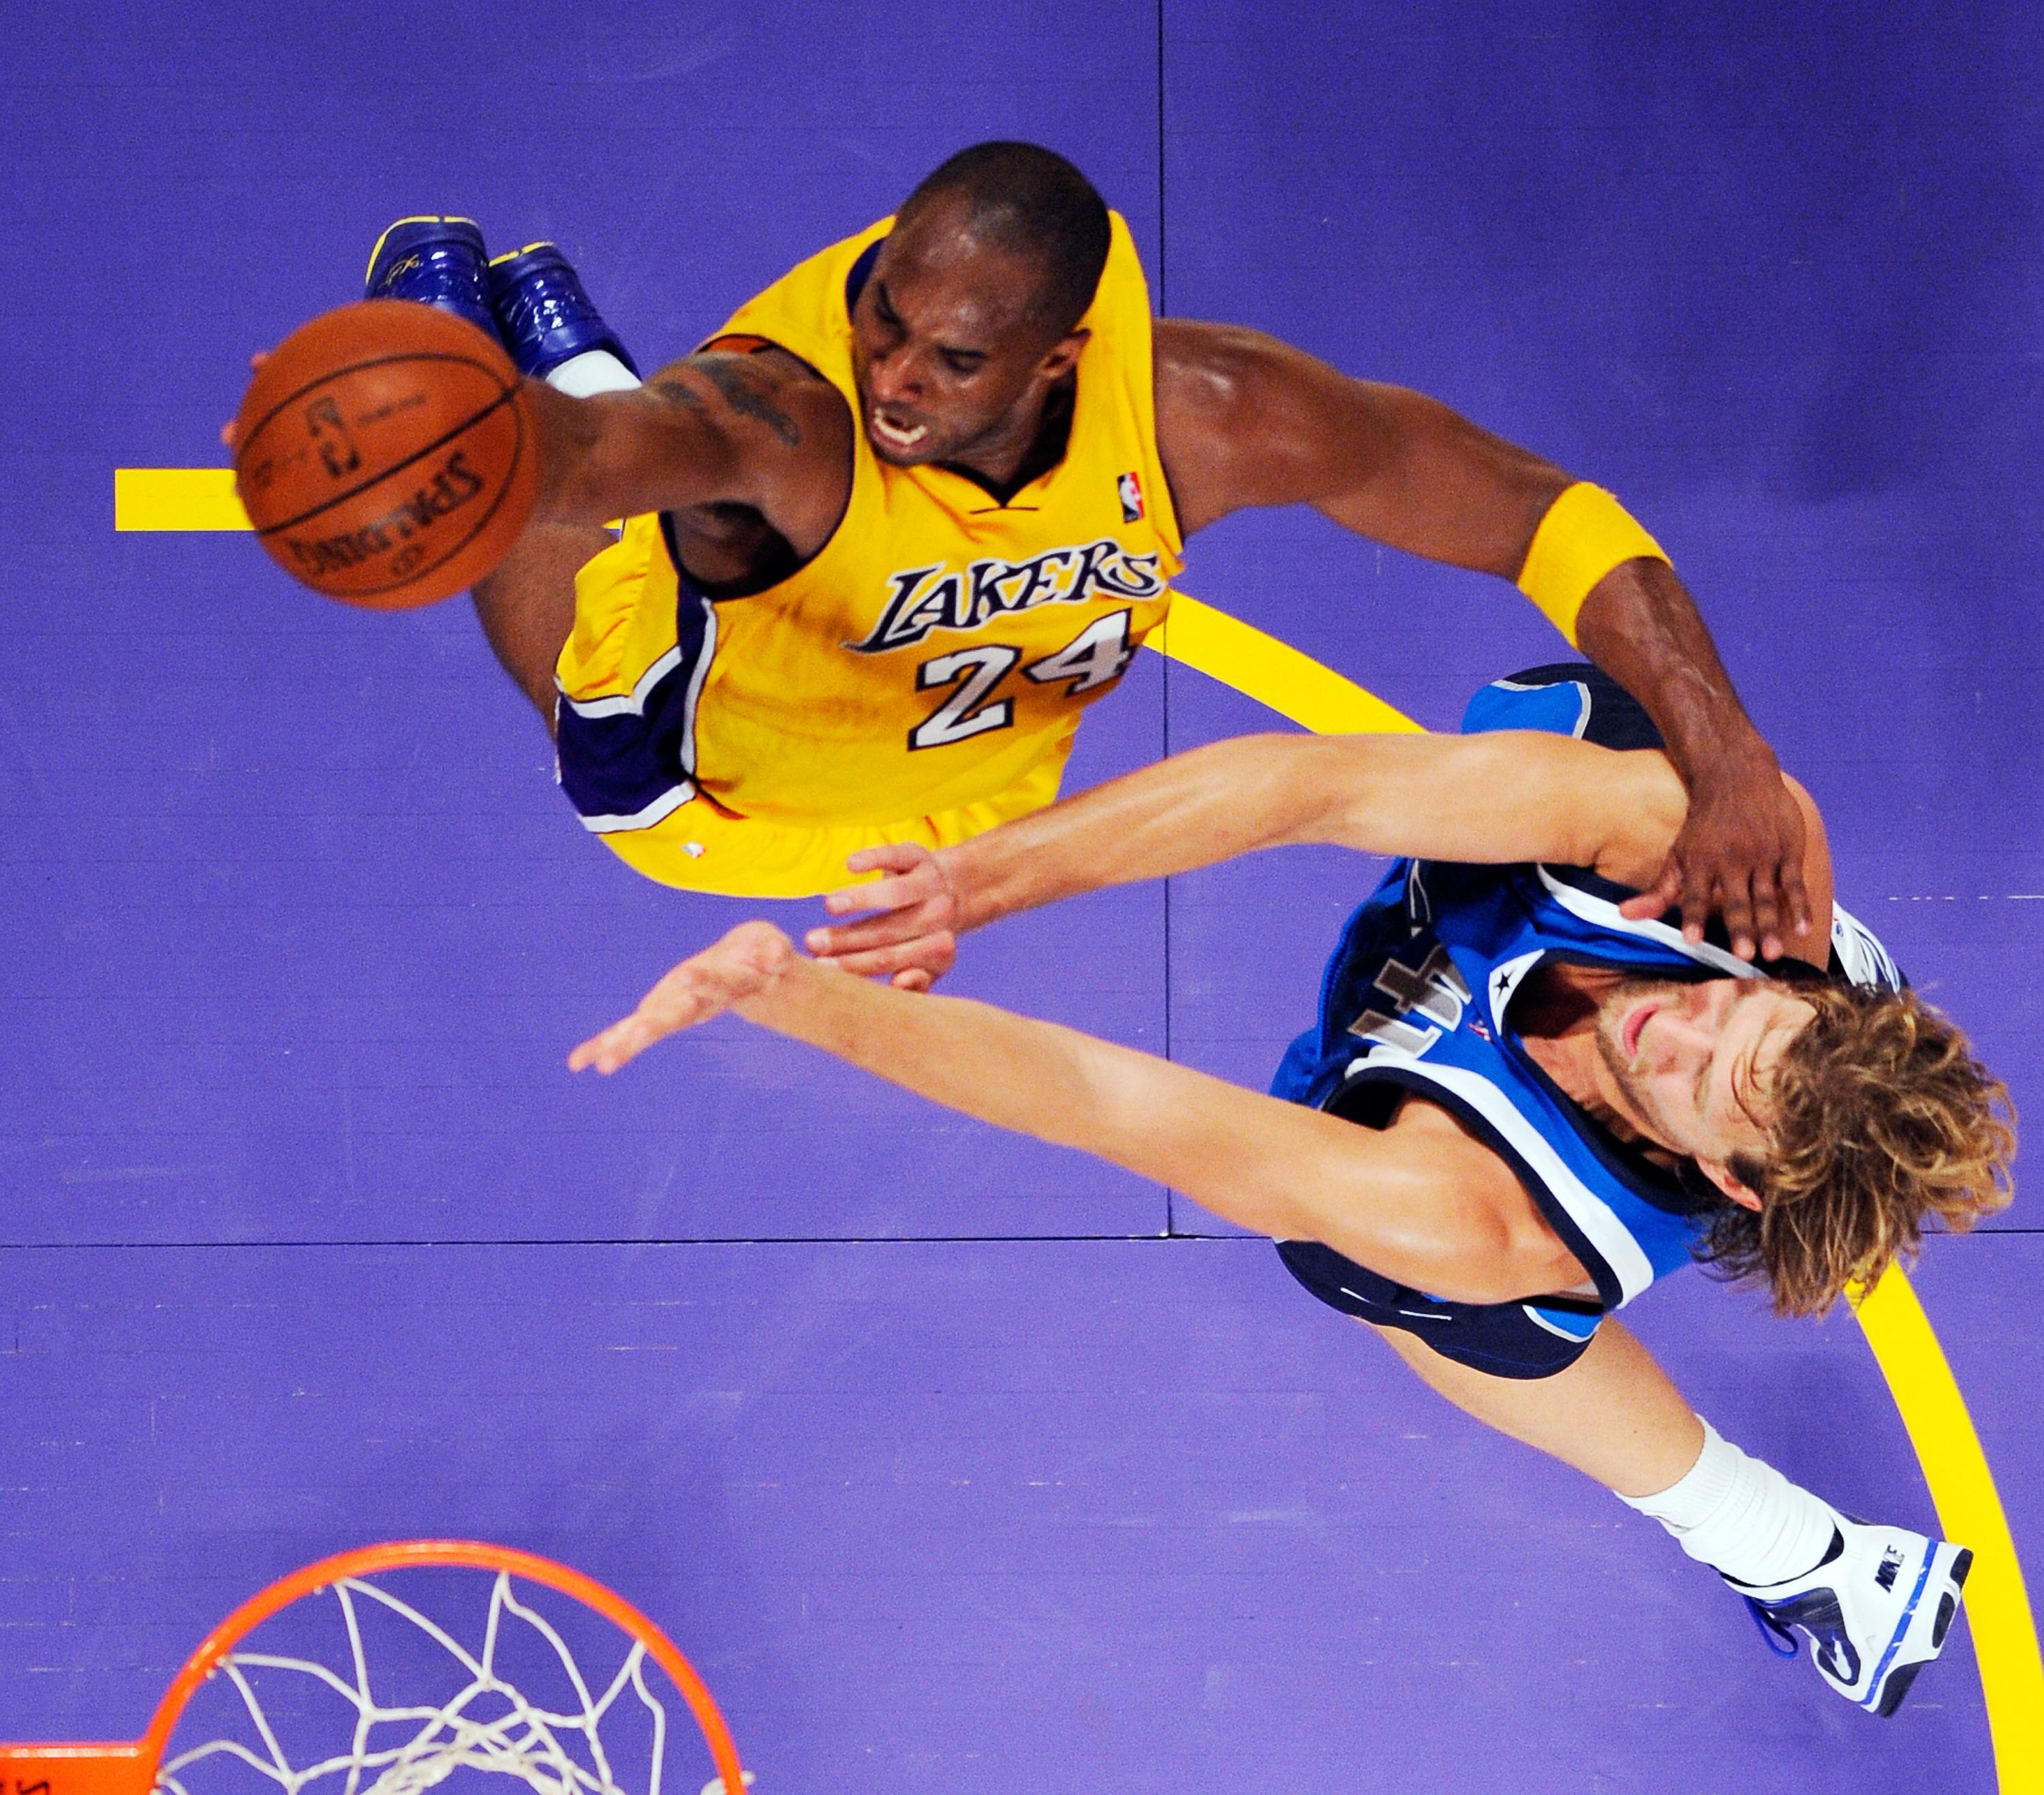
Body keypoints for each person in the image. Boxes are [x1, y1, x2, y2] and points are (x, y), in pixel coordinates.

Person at [568, 663, 2013, 1716]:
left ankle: (1784, 1550)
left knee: (1406, 1278)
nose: (1679, 1028)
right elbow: (1306, 786)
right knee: (1553, 723)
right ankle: (1805, 1560)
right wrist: (973, 884)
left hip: (1441, 1117)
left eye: (1716, 1083)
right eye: (1739, 1013)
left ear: (1720, 1174)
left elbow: (1112, 1106)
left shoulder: (1473, 1213)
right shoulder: (1697, 863)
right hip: (1519, 877)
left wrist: (800, 1000)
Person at [347, 142, 1805, 954]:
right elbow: (595, 466)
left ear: (1061, 360)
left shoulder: (1208, 417)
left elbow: (1546, 516)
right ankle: (466, 335)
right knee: (575, 599)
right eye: (883, 320)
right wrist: (452, 441)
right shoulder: (789, 418)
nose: (896, 377)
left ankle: (544, 333)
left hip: (972, 792)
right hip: (707, 783)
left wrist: (1730, 760)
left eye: (954, 358)